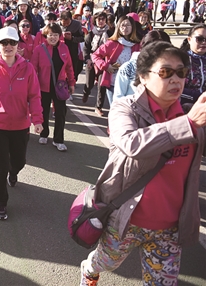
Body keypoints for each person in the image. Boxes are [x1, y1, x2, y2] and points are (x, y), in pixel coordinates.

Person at [80, 41, 205, 286]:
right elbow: (132, 144)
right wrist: (188, 125)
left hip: (169, 228)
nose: (176, 79)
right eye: (166, 72)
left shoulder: (191, 114)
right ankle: (89, 269)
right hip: (126, 221)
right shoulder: (124, 109)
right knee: (106, 262)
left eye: (181, 72)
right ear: (143, 77)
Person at [0, 27, 43, 220]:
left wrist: (37, 120)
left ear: (18, 45)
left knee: (18, 161)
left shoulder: (27, 68)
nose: (9, 46)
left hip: (21, 126)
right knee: (0, 166)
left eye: (12, 42)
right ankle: (1, 202)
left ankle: (14, 173)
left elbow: (35, 96)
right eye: (4, 43)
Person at [31, 23, 75, 152]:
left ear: (59, 36)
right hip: (43, 86)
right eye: (50, 35)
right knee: (44, 111)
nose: (53, 37)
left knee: (61, 113)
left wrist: (72, 83)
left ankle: (58, 139)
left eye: (56, 35)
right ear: (46, 35)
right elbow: (33, 69)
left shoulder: (64, 48)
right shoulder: (39, 49)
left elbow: (69, 67)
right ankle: (43, 134)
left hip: (60, 86)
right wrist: (32, 87)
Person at [92, 16, 141, 107]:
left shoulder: (138, 45)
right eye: (122, 25)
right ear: (118, 27)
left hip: (132, 83)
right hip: (113, 82)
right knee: (117, 109)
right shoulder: (112, 43)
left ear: (132, 27)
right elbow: (95, 55)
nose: (125, 28)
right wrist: (106, 66)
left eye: (127, 25)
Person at [113, 30, 170, 101]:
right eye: (154, 49)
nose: (158, 54)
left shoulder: (170, 69)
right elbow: (118, 99)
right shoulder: (128, 68)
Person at [82, 12, 110, 114]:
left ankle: (99, 107)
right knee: (89, 84)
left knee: (102, 86)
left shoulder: (110, 33)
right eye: (99, 19)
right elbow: (86, 49)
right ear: (95, 21)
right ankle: (86, 92)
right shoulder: (91, 34)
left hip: (104, 62)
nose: (101, 21)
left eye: (103, 19)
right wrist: (87, 59)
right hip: (92, 61)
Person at [180, 24, 206, 105]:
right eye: (199, 39)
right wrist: (200, 97)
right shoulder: (180, 60)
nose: (204, 42)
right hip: (185, 105)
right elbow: (176, 88)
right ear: (189, 39)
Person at [59, 10, 85, 78]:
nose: (66, 25)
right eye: (64, 23)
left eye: (68, 23)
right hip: (60, 48)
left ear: (71, 19)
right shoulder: (57, 25)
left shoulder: (77, 25)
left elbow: (82, 38)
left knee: (73, 66)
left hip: (73, 49)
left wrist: (72, 38)